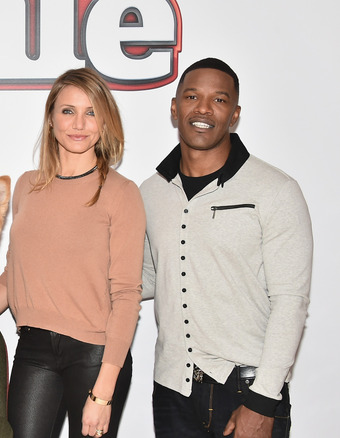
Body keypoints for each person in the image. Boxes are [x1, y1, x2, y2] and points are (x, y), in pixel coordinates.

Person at [140, 58, 312, 438]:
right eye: (192, 96)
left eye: (218, 100)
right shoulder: (150, 193)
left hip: (246, 392)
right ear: (174, 108)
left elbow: (291, 300)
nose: (203, 108)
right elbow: (152, 275)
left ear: (234, 114)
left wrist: (263, 400)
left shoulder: (275, 190)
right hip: (172, 391)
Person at [0, 68, 146, 438]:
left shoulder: (122, 193)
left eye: (91, 112)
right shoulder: (27, 186)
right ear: (51, 118)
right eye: (68, 111)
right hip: (34, 348)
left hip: (95, 356)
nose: (79, 124)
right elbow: (14, 274)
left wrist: (104, 393)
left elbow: (126, 295)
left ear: (105, 121)